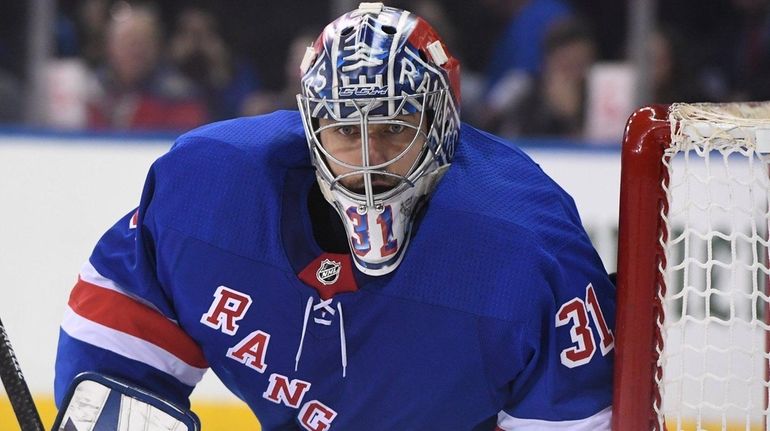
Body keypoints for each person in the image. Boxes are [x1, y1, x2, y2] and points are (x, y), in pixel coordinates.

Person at [54, 3, 615, 429]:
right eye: (347, 131)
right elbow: (113, 361)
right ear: (311, 129)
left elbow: (571, 410)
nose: (371, 160)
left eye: (395, 128)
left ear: (442, 125)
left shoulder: (526, 247)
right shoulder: (208, 192)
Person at [85, 3, 208, 131]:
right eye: (128, 41)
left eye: (142, 42)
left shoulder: (178, 95)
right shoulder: (90, 90)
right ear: (109, 46)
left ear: (157, 46)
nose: (135, 50)